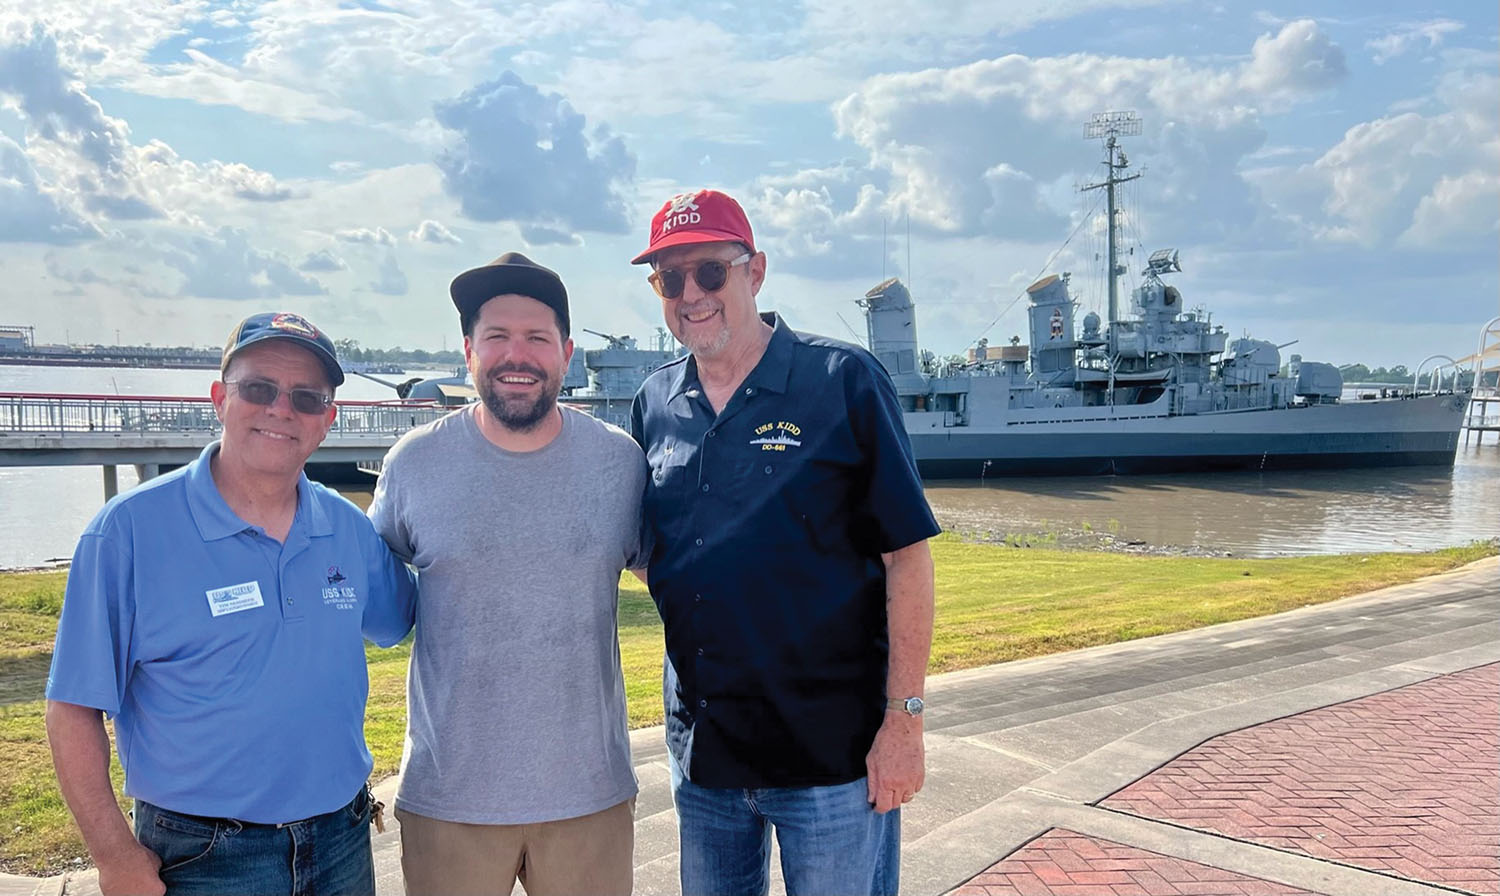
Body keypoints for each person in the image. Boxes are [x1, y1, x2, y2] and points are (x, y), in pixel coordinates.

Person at [628, 188, 941, 896]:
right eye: (669, 279)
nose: (690, 294)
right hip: (707, 759)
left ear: (755, 272)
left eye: (709, 271)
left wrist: (905, 723)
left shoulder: (843, 380)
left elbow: (907, 556)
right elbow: (657, 551)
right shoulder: (654, 402)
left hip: (832, 757)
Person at [45, 312, 417, 896]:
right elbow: (72, 706)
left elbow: (403, 618)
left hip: (341, 839)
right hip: (202, 856)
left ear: (328, 420)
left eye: (306, 397)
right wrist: (113, 853)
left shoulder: (348, 528)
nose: (281, 409)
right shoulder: (127, 533)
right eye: (259, 389)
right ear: (220, 398)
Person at [368, 252, 646, 896]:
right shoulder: (413, 463)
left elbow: (683, 588)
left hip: (590, 797)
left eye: (537, 338)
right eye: (496, 336)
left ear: (567, 352)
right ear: (468, 350)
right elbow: (363, 596)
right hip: (449, 800)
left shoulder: (620, 464)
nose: (515, 355)